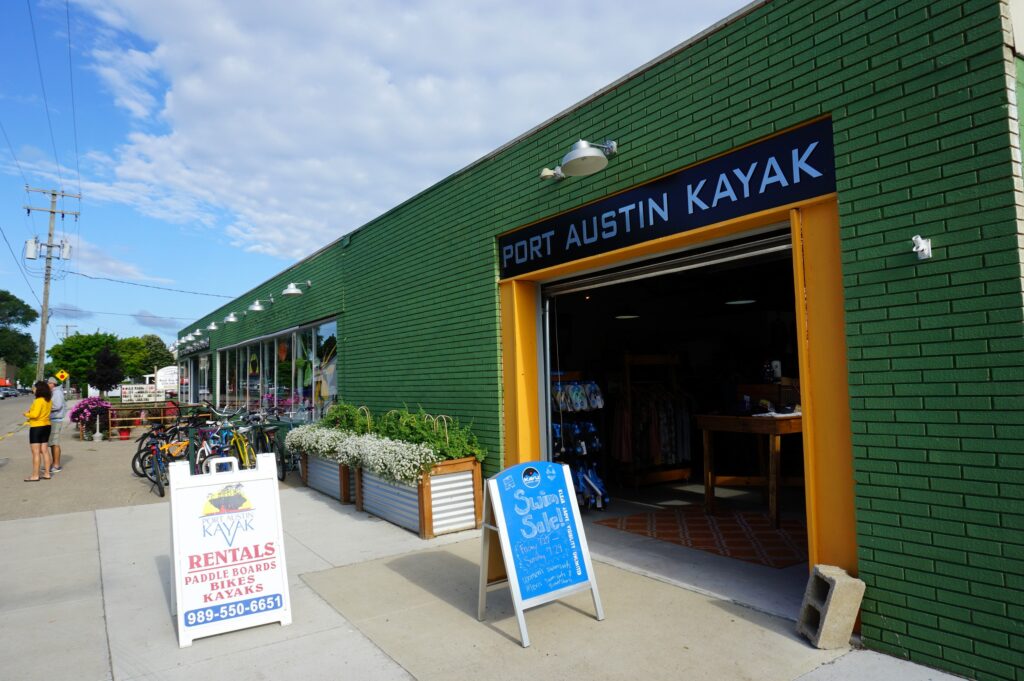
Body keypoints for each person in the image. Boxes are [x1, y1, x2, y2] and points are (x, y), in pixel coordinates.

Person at [23, 380, 52, 482]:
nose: (33, 390)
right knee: (44, 450)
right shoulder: (48, 400)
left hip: (37, 427)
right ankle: (47, 473)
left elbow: (35, 415)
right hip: (47, 426)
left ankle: (35, 475)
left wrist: (26, 414)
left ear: (39, 389)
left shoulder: (38, 400)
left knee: (35, 452)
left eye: (34, 388)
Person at [47, 376, 66, 472]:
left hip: (56, 420)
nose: (47, 385)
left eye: (48, 383)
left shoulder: (57, 392)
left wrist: (46, 407)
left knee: (55, 443)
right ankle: (53, 463)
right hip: (53, 419)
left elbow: (57, 406)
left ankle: (56, 465)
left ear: (52, 383)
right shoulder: (54, 392)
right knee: (52, 443)